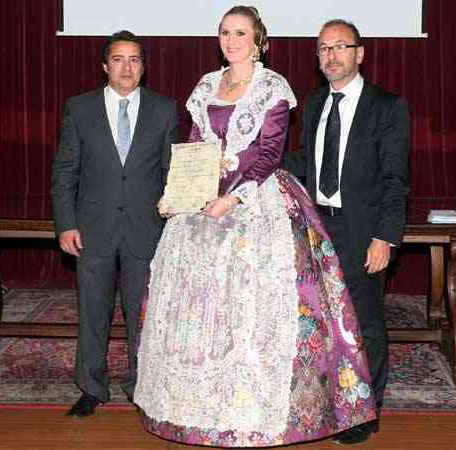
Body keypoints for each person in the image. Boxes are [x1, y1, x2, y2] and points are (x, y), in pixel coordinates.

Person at [134, 6, 375, 447]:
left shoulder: (272, 87)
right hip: (205, 204)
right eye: (225, 33)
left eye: (240, 33)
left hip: (259, 202)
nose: (231, 41)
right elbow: (195, 146)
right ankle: (194, 408)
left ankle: (257, 410)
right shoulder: (206, 85)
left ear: (258, 39)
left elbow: (269, 154)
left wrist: (233, 198)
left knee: (257, 306)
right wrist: (183, 193)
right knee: (199, 308)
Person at [284, 19, 410, 444]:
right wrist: (258, 163)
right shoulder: (315, 103)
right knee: (324, 320)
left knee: (364, 321)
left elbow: (395, 180)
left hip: (362, 230)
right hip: (317, 227)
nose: (331, 55)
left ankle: (366, 412)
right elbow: (305, 162)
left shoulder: (387, 106)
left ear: (360, 53)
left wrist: (384, 237)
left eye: (340, 46)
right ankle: (334, 403)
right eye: (323, 48)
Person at [51, 30, 179, 417]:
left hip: (147, 228)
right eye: (119, 59)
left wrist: (178, 217)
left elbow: (172, 172)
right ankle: (91, 388)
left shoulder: (164, 109)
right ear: (105, 66)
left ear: (144, 67)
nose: (127, 67)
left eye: (134, 59)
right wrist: (65, 223)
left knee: (143, 315)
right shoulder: (79, 108)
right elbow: (65, 172)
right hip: (92, 228)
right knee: (93, 312)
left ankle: (142, 388)